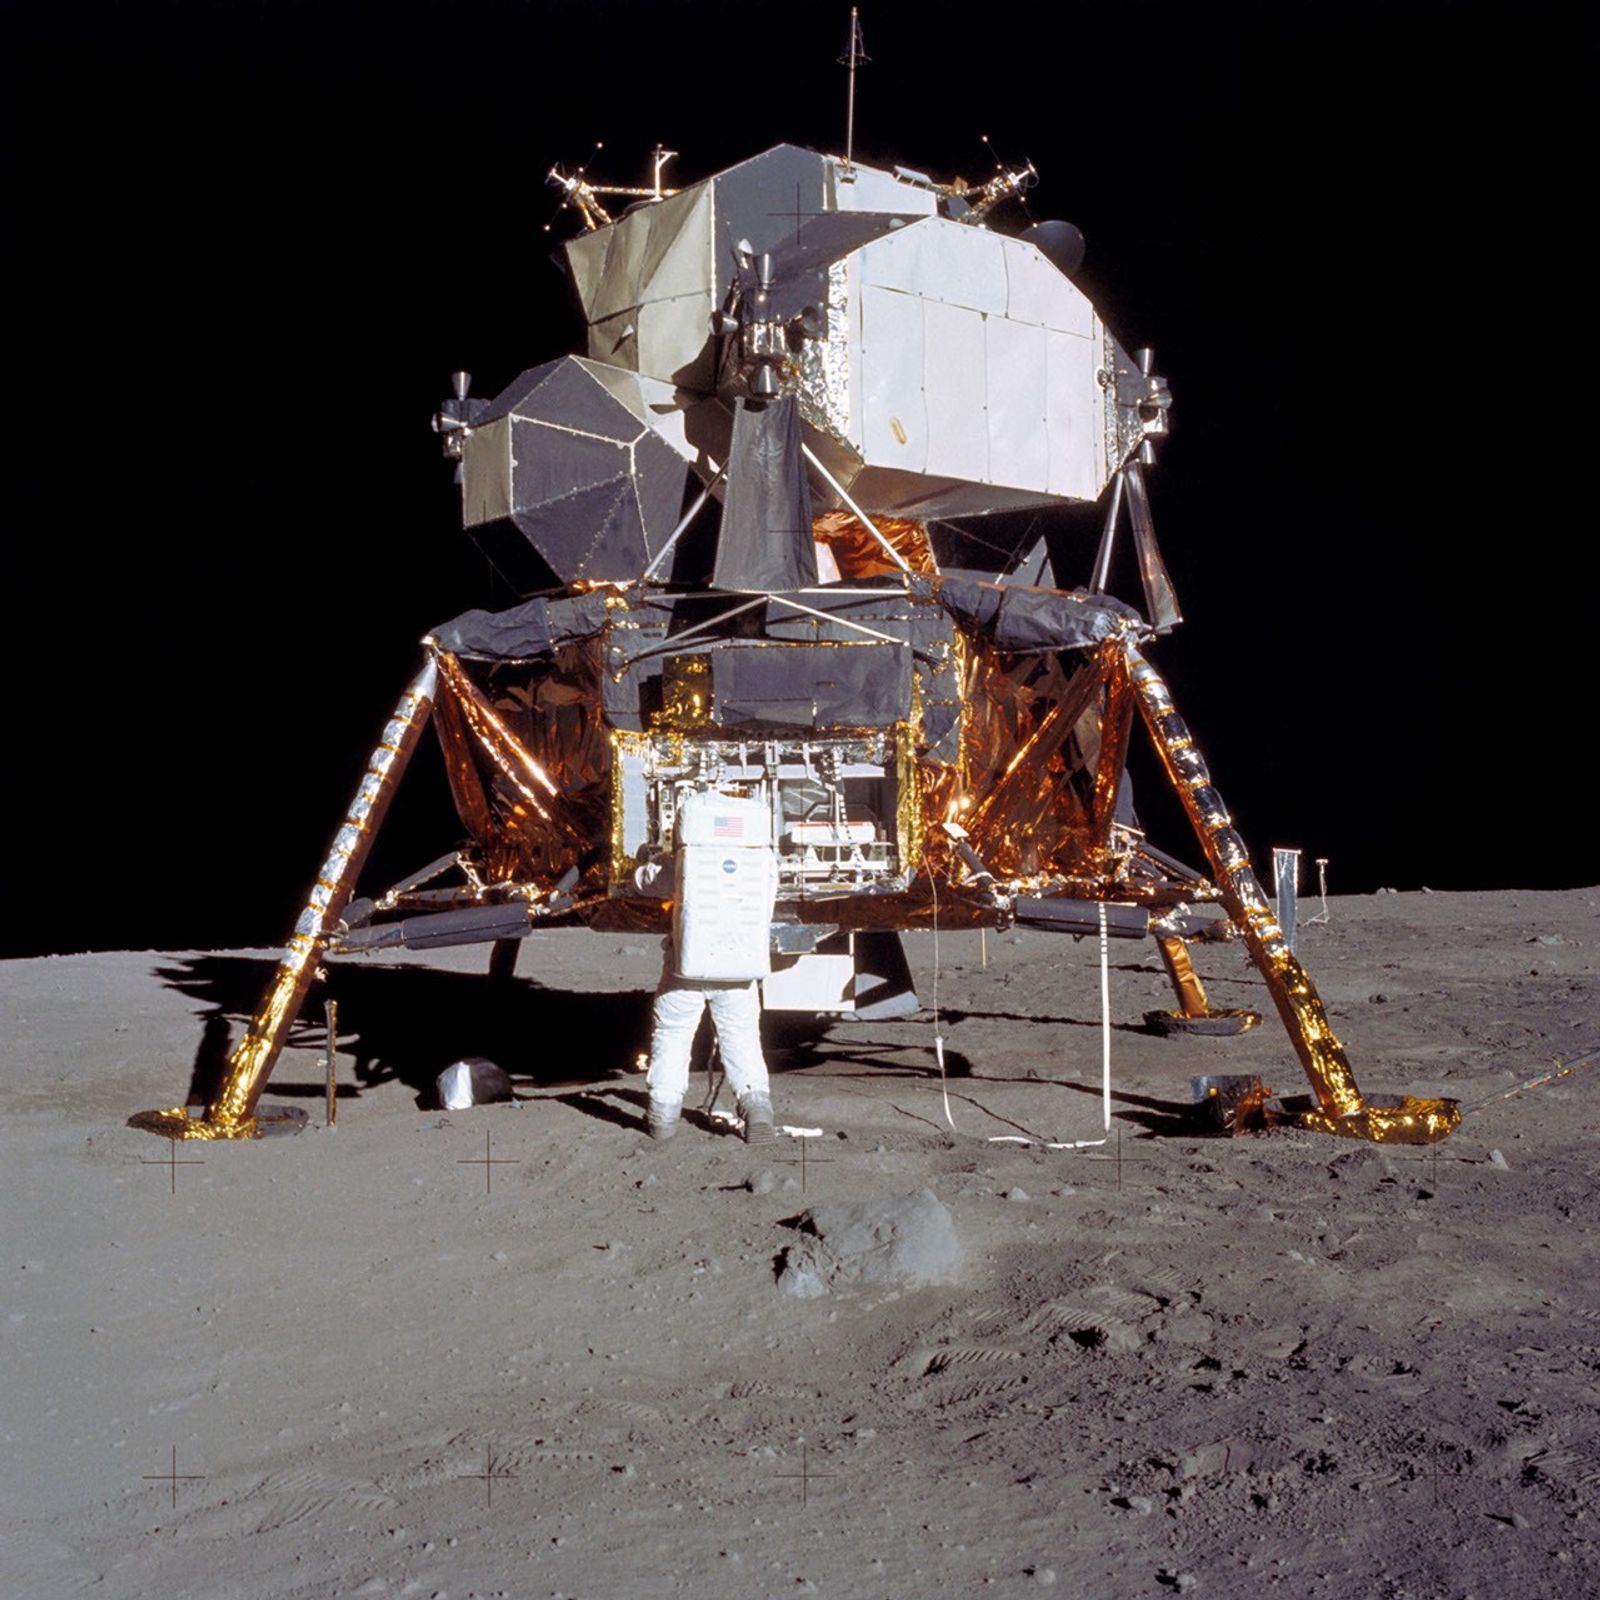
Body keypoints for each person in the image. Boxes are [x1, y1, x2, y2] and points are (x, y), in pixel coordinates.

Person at [633, 825, 777, 1145]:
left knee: (673, 1035)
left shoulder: (683, 860)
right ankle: (757, 1109)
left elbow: (643, 882)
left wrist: (646, 859)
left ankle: (663, 1115)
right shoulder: (764, 861)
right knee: (741, 1038)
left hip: (686, 971)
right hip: (739, 970)